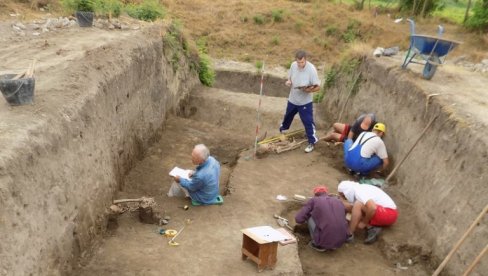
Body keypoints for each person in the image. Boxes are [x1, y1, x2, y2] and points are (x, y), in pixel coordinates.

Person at [279, 50, 321, 153]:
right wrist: (289, 82)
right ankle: (283, 130)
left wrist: (308, 90)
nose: (299, 64)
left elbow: (318, 87)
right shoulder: (293, 65)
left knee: (307, 121)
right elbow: (290, 78)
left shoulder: (311, 70)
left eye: (301, 62)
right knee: (287, 116)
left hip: (305, 102)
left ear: (305, 60)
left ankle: (312, 141)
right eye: (298, 62)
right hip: (293, 99)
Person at [295, 186, 349, 252]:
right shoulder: (339, 201)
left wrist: (310, 214)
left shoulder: (314, 200)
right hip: (340, 242)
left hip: (323, 243)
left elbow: (298, 219)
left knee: (309, 216)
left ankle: (317, 243)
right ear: (327, 193)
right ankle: (331, 242)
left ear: (315, 194)